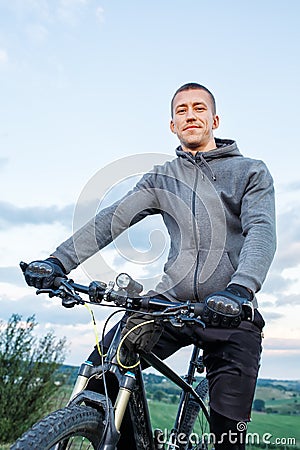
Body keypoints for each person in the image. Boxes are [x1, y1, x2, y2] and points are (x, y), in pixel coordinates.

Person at [23, 82, 276, 449]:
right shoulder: (162, 178)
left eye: (199, 108)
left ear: (215, 119)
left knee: (228, 435)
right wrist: (57, 261)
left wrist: (241, 289)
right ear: (172, 125)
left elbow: (261, 231)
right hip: (170, 306)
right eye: (181, 110)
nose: (190, 114)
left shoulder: (250, 172)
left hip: (230, 312)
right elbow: (112, 220)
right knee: (102, 378)